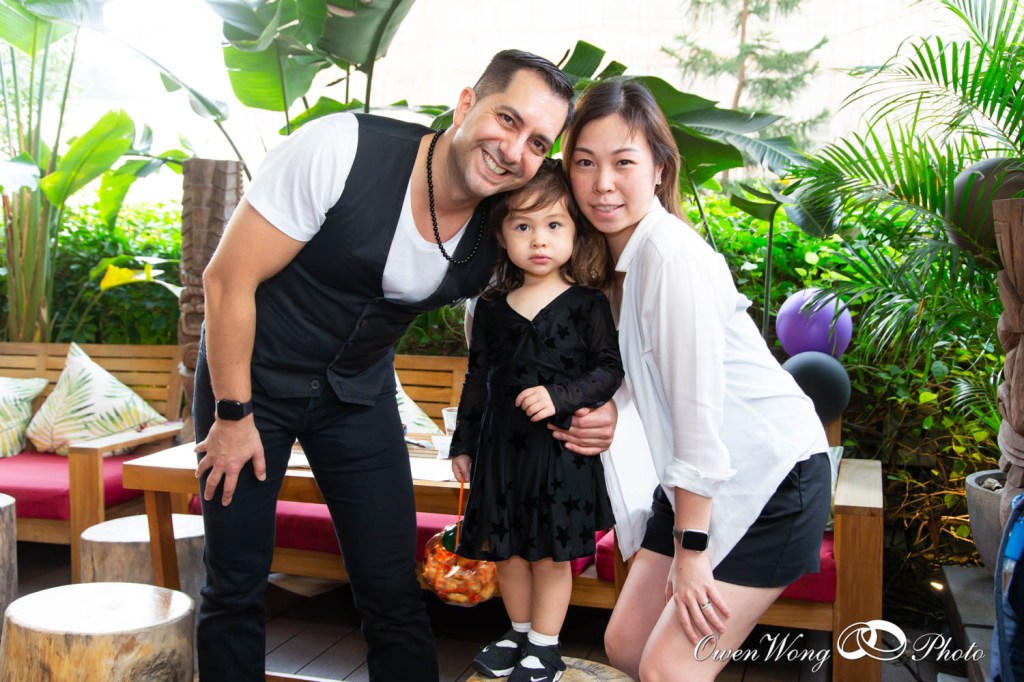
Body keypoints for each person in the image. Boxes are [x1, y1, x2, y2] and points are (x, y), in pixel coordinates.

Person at [192, 50, 584, 682]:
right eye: (507, 119)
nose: (514, 151)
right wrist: (232, 414)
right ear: (466, 103)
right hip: (250, 385)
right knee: (235, 581)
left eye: (538, 142)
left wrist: (594, 401)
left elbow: (575, 295)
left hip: (357, 395)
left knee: (392, 585)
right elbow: (227, 279)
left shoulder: (507, 222)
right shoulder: (340, 149)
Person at [562, 77, 832, 681]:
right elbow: (646, 378)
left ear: (659, 168)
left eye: (623, 162)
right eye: (584, 162)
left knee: (668, 669)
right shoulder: (620, 261)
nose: (602, 184)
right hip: (699, 478)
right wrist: (608, 409)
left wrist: (692, 553)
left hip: (770, 477)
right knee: (626, 645)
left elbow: (698, 416)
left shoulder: (671, 258)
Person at [448, 159, 623, 681]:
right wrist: (463, 444)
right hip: (499, 452)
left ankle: (546, 645)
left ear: (575, 232)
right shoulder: (491, 306)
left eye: (553, 224)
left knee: (549, 555)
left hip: (557, 452)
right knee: (506, 552)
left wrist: (560, 396)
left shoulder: (588, 304)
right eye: (522, 226)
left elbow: (608, 369)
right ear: (502, 236)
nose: (539, 239)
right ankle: (519, 632)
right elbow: (477, 377)